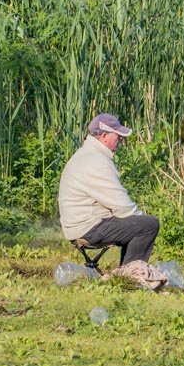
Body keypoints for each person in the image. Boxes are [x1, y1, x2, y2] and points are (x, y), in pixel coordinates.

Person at [58, 112, 160, 267]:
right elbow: (122, 206)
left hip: (79, 225)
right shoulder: (96, 161)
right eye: (117, 135)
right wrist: (140, 220)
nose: (121, 139)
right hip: (87, 227)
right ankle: (132, 275)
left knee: (138, 224)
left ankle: (128, 270)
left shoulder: (86, 154)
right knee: (148, 224)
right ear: (104, 136)